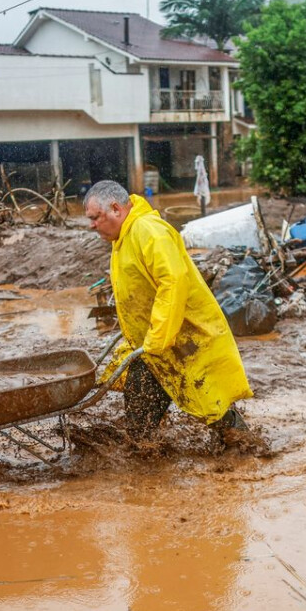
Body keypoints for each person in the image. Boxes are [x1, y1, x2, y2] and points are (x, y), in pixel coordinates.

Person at [83, 180, 263, 453]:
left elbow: (173, 282)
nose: (92, 225)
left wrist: (158, 336)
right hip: (154, 345)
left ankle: (250, 453)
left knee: (211, 404)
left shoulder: (148, 231)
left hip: (183, 340)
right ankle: (148, 465)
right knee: (139, 423)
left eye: (95, 218)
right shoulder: (126, 236)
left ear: (116, 209)